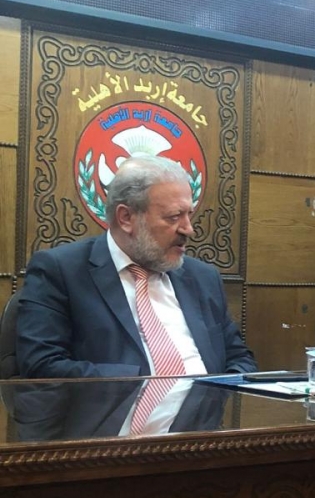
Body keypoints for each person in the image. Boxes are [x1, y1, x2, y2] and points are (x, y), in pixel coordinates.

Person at [16, 155, 258, 379]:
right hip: (115, 410)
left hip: (206, 410)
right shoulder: (61, 271)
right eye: (174, 217)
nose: (188, 229)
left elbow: (239, 359)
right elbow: (41, 366)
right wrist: (148, 383)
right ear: (126, 218)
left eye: (189, 214)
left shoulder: (204, 277)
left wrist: (220, 395)